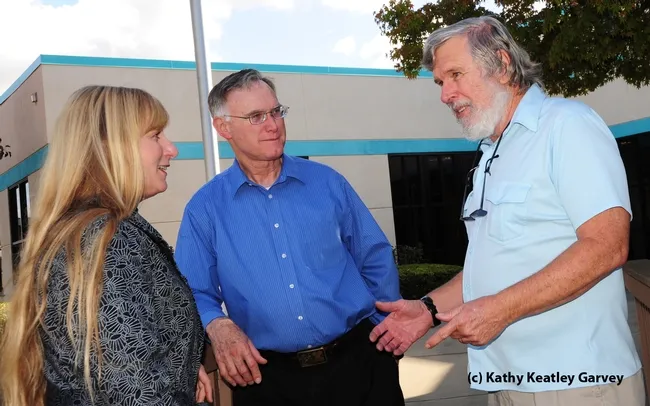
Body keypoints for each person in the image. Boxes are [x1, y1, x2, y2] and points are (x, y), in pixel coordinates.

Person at [368, 15, 645, 406]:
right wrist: (427, 309)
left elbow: (607, 245)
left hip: (575, 381)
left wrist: (499, 310)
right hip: (504, 380)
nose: (445, 94)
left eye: (455, 75)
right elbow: (492, 267)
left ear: (500, 64)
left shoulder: (567, 125)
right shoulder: (490, 154)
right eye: (440, 83)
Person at [174, 69, 404, 406]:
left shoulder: (328, 183)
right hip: (267, 381)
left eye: (276, 111)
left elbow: (375, 256)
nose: (273, 124)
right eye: (256, 116)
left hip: (360, 365)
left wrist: (386, 333)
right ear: (223, 128)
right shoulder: (204, 208)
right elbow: (193, 290)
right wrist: (218, 324)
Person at [0, 85, 212, 406]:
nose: (172, 149)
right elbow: (134, 393)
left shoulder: (97, 228)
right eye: (155, 136)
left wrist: (181, 365)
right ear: (109, 147)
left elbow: (118, 357)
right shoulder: (105, 237)